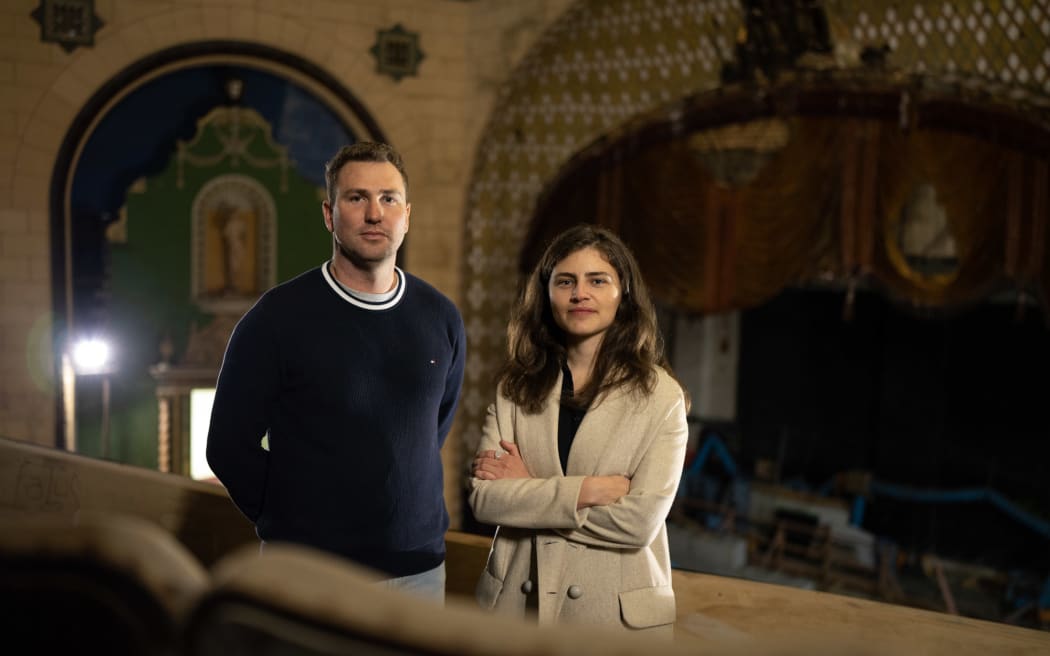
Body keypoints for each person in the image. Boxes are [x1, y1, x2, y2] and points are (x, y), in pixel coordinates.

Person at [206, 141, 466, 603]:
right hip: (307, 572)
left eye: (388, 199)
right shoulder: (276, 319)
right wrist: (290, 520)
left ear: (407, 215)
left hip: (419, 574)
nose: (374, 213)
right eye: (356, 198)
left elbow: (429, 430)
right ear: (330, 214)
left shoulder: (440, 317)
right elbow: (227, 446)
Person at [468, 224, 689, 635]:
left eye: (597, 280)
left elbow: (638, 523)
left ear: (623, 293)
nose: (579, 294)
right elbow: (485, 500)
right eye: (565, 281)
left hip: (612, 624)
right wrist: (586, 492)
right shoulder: (514, 387)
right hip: (516, 609)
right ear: (547, 293)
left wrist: (529, 488)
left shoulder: (662, 397)